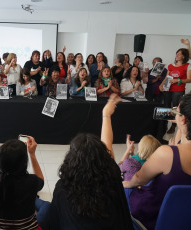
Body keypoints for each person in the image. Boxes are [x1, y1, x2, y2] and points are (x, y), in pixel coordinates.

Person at [37, 94, 133, 230]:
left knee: (44, 211)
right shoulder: (112, 176)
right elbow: (108, 147)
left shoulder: (63, 188)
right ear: (103, 158)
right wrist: (106, 115)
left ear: (71, 159)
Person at [123, 93, 191, 230]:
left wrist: (127, 183)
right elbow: (183, 144)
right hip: (189, 219)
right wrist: (180, 123)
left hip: (152, 217)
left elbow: (139, 178)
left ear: (184, 119)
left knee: (124, 185)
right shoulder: (174, 151)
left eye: (177, 111)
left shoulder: (167, 153)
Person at [0, 136, 44, 230]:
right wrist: (32, 154)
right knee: (47, 206)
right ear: (24, 163)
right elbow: (41, 180)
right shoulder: (32, 182)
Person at [159, 48, 191, 134]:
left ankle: (173, 126)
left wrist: (178, 80)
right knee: (166, 107)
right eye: (176, 53)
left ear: (183, 56)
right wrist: (161, 85)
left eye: (179, 54)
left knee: (175, 108)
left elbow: (189, 79)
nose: (176, 55)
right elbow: (167, 77)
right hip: (168, 89)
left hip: (178, 91)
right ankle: (164, 125)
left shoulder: (188, 66)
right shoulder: (170, 66)